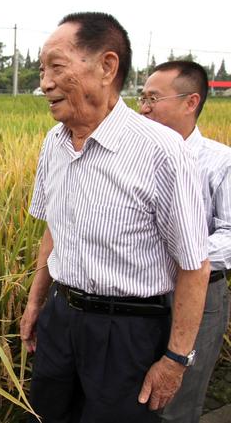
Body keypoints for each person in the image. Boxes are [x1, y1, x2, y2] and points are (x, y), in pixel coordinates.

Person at [19, 12, 211, 423]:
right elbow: (54, 230)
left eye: (57, 67)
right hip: (61, 319)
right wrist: (36, 303)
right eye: (41, 70)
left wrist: (176, 358)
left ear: (107, 66)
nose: (45, 83)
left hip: (128, 332)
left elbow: (194, 265)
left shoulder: (162, 151)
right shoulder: (53, 144)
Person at [139, 61, 231, 423]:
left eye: (152, 98)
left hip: (198, 294)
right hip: (140, 292)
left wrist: (183, 257)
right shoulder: (138, 159)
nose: (142, 108)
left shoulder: (220, 162)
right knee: (135, 392)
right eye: (142, 98)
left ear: (190, 102)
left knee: (177, 398)